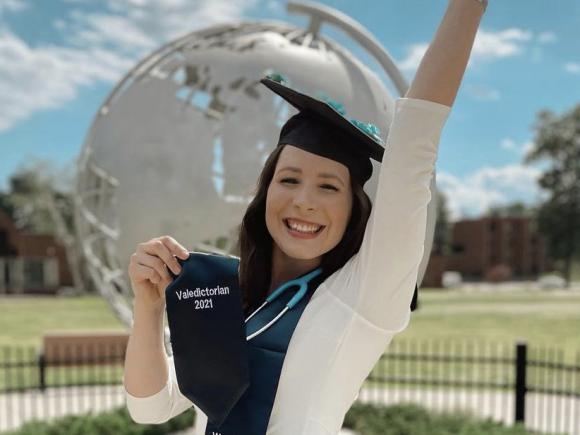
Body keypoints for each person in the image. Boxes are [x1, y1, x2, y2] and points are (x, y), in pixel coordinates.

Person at [123, 1, 487, 433]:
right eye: (289, 180)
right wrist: (147, 307)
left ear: (354, 211)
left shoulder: (363, 297)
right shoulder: (226, 293)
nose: (305, 202)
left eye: (329, 187)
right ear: (266, 193)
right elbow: (151, 408)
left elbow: (414, 147)